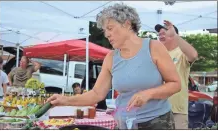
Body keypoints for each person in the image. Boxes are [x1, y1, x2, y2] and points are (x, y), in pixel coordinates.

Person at [47, 3, 181, 129]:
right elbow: (96, 94)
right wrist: (66, 100)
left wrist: (149, 94)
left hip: (157, 122)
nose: (106, 34)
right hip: (123, 123)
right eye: (105, 30)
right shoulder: (111, 58)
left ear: (127, 24)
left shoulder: (153, 47)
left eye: (110, 28)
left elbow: (175, 84)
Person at [155, 21, 198, 129]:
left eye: (164, 33)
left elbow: (193, 55)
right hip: (156, 109)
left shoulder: (181, 53)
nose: (160, 36)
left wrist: (175, 35)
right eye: (159, 34)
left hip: (177, 110)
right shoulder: (157, 55)